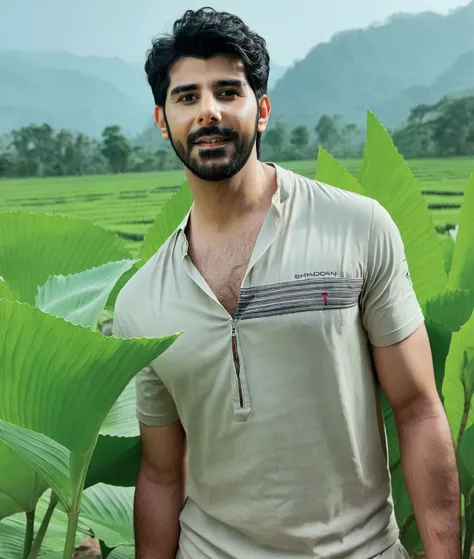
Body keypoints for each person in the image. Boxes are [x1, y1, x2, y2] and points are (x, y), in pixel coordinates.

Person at [112, 7, 461, 559]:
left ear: (262, 110)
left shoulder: (357, 228)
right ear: (163, 120)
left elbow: (418, 409)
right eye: (187, 97)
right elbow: (160, 474)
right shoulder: (140, 304)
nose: (208, 112)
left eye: (229, 91)